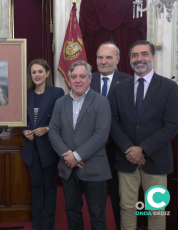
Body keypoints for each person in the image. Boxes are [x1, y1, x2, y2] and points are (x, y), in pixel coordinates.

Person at [108, 40, 178, 230]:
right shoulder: (118, 89)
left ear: (152, 57)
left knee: (156, 210)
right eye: (135, 55)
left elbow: (172, 125)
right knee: (127, 208)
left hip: (156, 160)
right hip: (126, 160)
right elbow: (112, 122)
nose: (140, 59)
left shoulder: (170, 88)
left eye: (144, 54)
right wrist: (129, 150)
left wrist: (143, 150)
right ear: (129, 59)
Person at [49, 60, 112, 230]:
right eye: (74, 76)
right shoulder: (60, 103)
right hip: (68, 169)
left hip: (94, 168)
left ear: (90, 79)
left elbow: (101, 135)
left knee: (97, 215)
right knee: (72, 212)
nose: (78, 80)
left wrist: (76, 156)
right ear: (69, 79)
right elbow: (53, 131)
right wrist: (68, 155)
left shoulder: (101, 102)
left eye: (82, 76)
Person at [90, 42, 131, 230]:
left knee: (119, 199)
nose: (103, 61)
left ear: (118, 59)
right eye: (100, 57)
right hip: (93, 152)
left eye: (108, 57)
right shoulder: (86, 80)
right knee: (95, 202)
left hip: (119, 151)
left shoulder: (129, 82)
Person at [21, 59, 64, 230]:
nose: (37, 75)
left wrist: (47, 128)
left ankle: (48, 225)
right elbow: (20, 119)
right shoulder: (27, 94)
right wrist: (24, 130)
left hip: (49, 148)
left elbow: (61, 118)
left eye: (40, 71)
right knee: (36, 187)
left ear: (47, 73)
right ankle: (37, 225)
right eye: (34, 72)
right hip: (31, 150)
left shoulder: (57, 92)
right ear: (30, 76)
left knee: (50, 187)